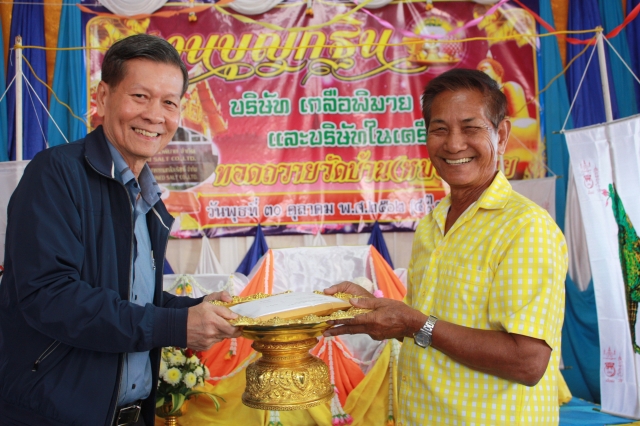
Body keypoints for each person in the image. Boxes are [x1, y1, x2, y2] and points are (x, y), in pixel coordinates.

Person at [0, 34, 240, 426]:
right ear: (102, 97)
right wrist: (175, 325)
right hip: (53, 415)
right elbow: (49, 296)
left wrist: (194, 309)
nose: (155, 116)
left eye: (169, 103)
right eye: (140, 96)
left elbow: (126, 294)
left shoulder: (146, 195)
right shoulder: (55, 174)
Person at [324, 68, 567, 425]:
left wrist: (413, 322)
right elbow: (435, 332)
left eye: (471, 128)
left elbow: (527, 362)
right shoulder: (433, 223)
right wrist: (386, 313)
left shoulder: (525, 227)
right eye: (440, 129)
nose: (454, 144)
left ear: (501, 135)